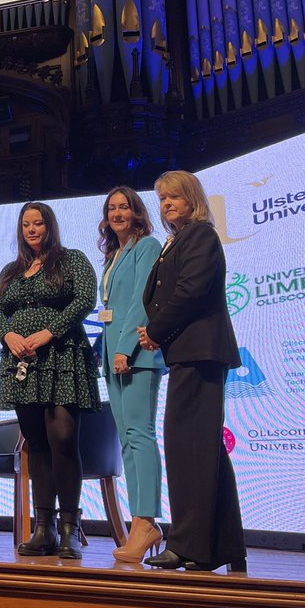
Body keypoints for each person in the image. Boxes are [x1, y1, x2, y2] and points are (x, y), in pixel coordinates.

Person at [138, 171, 246, 572]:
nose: (166, 204)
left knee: (191, 450)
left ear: (192, 199)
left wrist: (155, 331)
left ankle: (189, 547)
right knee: (202, 451)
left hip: (201, 352)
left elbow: (190, 291)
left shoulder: (200, 235)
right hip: (187, 353)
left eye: (174, 197)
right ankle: (224, 546)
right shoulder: (176, 240)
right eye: (162, 198)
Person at [0, 201, 100, 559]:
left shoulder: (72, 259)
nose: (32, 229)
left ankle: (70, 527)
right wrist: (7, 335)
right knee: (35, 444)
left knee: (63, 438)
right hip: (22, 363)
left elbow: (85, 298)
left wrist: (49, 331)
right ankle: (44, 527)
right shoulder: (12, 269)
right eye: (26, 225)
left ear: (50, 226)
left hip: (62, 356)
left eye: (38, 223)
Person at [97, 187, 164, 563]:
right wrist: (103, 351)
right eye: (112, 208)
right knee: (126, 439)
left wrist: (124, 347)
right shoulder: (114, 253)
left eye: (124, 206)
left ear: (136, 212)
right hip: (113, 356)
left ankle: (146, 521)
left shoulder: (147, 246)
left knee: (140, 435)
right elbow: (111, 308)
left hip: (137, 354)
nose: (118, 213)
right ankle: (138, 522)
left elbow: (142, 299)